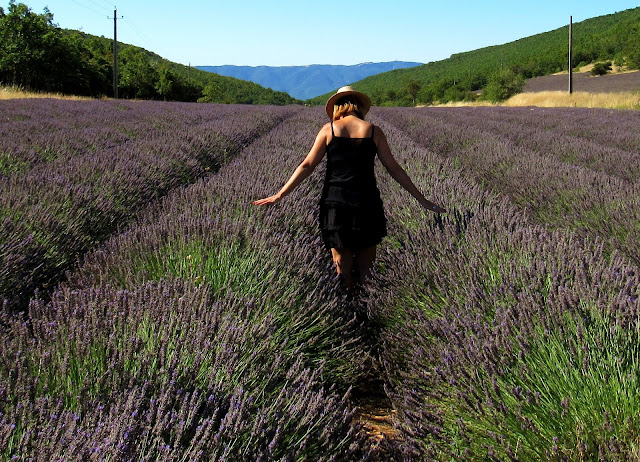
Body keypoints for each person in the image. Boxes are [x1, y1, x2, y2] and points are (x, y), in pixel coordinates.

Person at [253, 86, 446, 289]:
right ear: (360, 106)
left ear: (337, 107)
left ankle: (347, 305)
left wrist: (280, 194)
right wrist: (422, 199)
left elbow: (307, 165)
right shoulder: (374, 131)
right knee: (367, 269)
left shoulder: (329, 129)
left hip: (336, 202)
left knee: (341, 267)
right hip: (367, 202)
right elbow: (395, 169)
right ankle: (369, 309)